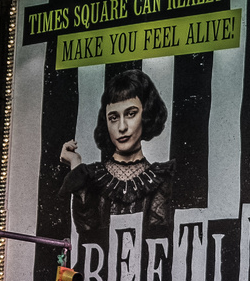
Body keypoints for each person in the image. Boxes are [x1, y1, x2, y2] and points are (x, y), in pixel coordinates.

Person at [61, 70, 173, 242]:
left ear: (146, 114)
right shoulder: (90, 176)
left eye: (130, 114)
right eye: (113, 117)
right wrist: (75, 164)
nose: (122, 127)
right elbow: (87, 238)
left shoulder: (161, 178)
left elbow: (159, 243)